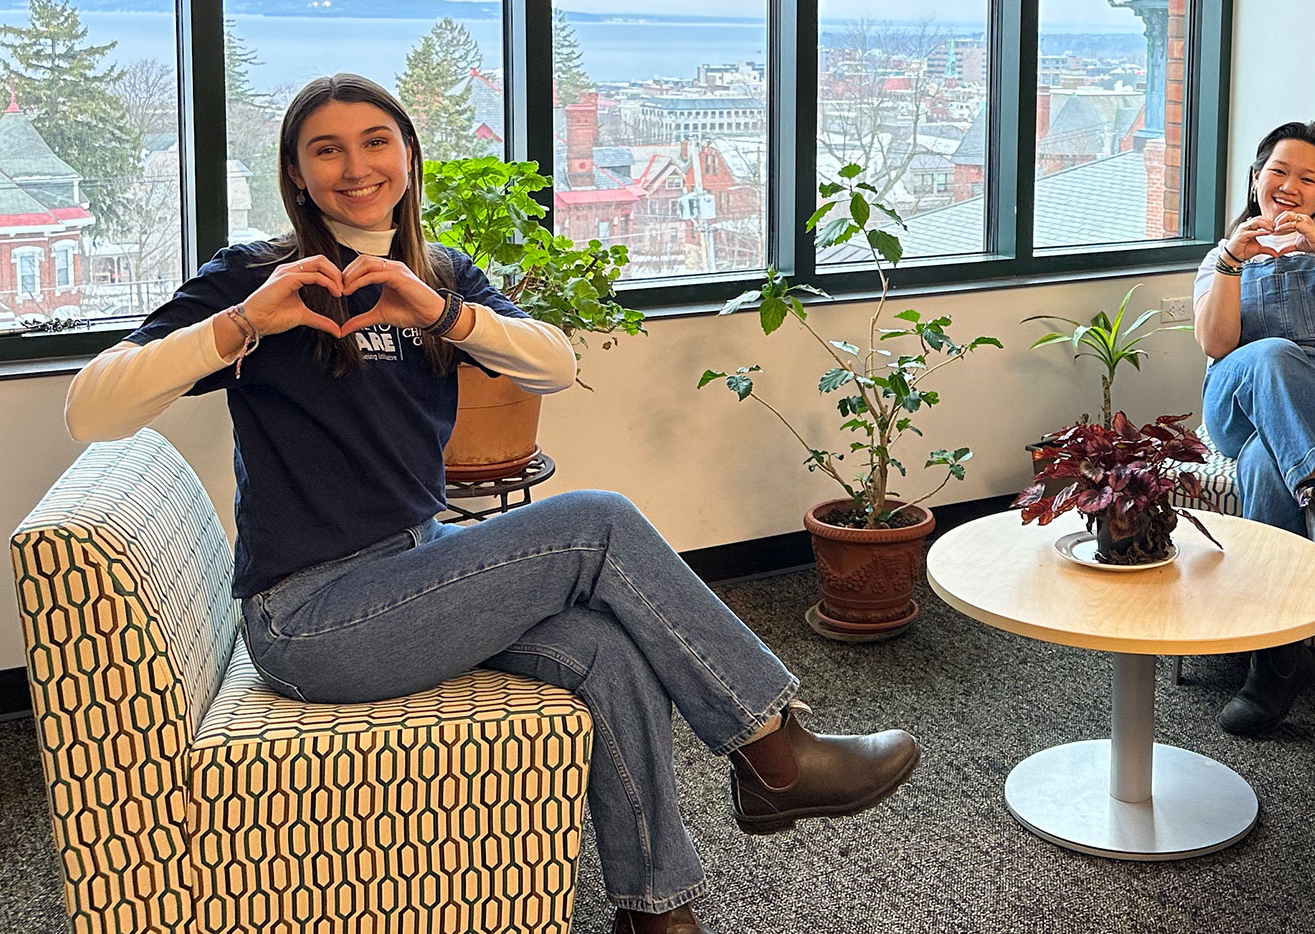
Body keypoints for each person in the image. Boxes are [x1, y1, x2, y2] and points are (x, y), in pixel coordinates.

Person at [65, 74, 918, 934]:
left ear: (407, 157)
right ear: (296, 173)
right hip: (309, 619)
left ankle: (657, 911)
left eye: (375, 142)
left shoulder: (439, 275)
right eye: (326, 149)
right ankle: (774, 750)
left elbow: (551, 365)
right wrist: (245, 322)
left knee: (607, 650)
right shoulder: (254, 277)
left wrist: (441, 311)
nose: (355, 166)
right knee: (601, 521)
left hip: (411, 565)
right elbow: (91, 409)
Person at [1192, 121, 1315, 736]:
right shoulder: (1224, 252)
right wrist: (1231, 262)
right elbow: (1217, 343)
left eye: (1309, 179)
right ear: (1256, 179)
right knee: (1273, 353)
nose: (1290, 186)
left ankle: (1275, 660)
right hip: (1243, 401)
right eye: (1278, 171)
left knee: (1262, 463)